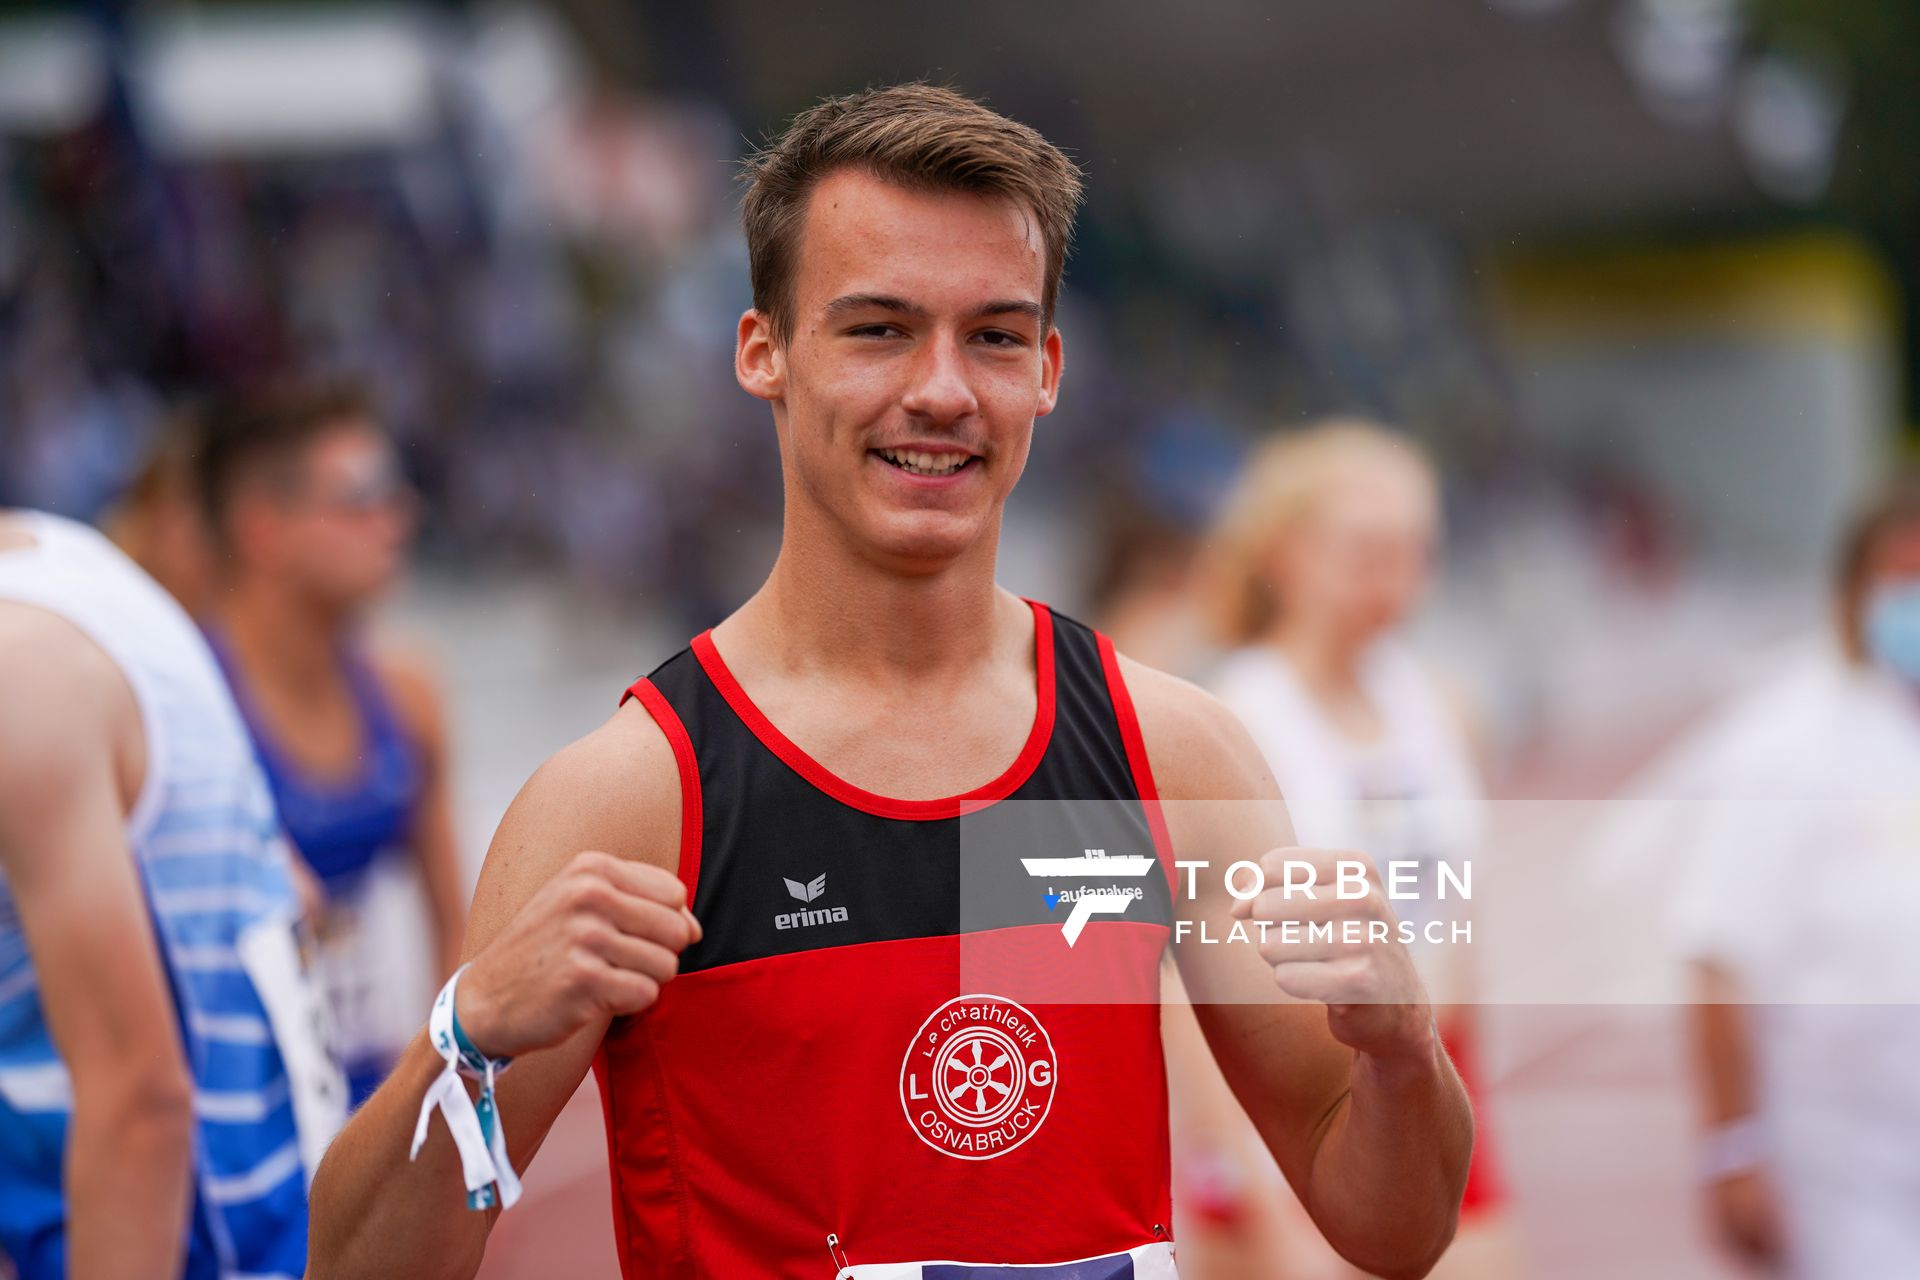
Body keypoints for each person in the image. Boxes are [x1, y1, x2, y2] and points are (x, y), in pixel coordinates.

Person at [308, 83, 1473, 1278]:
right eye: (878, 329)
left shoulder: (1171, 754)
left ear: (1050, 369)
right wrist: (463, 1043)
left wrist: (1398, 1051)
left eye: (996, 335)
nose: (943, 390)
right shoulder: (637, 799)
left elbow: (1395, 1226)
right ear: (764, 350)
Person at [1176, 422, 1518, 1278]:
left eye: (1414, 552)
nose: (1396, 579)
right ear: (1285, 555)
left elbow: (1457, 911)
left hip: (1428, 1074)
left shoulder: (1442, 703)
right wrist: (1244, 1163)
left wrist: (1453, 1062)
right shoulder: (1231, 720)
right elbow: (1182, 963)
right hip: (1286, 1087)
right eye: (1367, 551)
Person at [0, 508, 344, 1279]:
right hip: (279, 1206)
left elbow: (140, 1103)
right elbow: (290, 883)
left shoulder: (18, 673)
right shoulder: (70, 561)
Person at [1671, 472, 1920, 1279]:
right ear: (1855, 592)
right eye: (1903, 581)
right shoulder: (1787, 746)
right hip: (1844, 1157)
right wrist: (1732, 1146)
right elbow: (1717, 955)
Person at [194, 383, 466, 1105]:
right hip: (231, 1113)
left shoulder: (407, 695)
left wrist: (438, 1087)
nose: (398, 519)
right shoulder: (192, 704)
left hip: (367, 1092)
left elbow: (456, 929)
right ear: (264, 529)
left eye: (399, 491)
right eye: (361, 496)